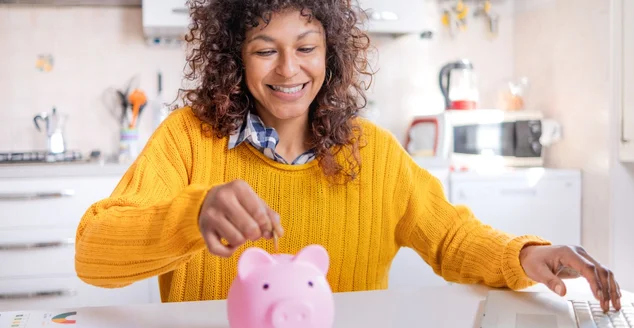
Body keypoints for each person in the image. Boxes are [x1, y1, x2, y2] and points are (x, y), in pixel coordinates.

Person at [75, 0, 622, 312]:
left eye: (306, 48)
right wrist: (191, 215)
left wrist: (525, 256)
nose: (289, 70)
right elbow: (93, 253)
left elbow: (452, 237)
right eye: (266, 50)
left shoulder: (374, 154)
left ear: (330, 55)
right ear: (234, 60)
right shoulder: (187, 139)